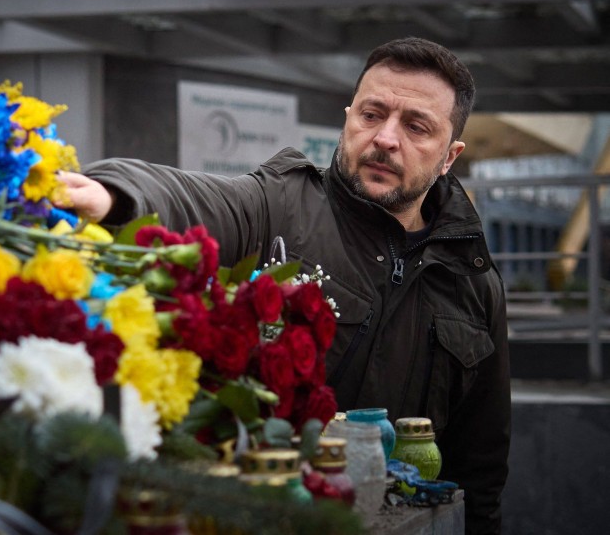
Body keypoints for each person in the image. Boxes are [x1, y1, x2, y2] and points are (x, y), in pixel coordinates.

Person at [58, 37, 510, 534]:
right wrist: (114, 193)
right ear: (348, 118)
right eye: (371, 114)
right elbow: (196, 198)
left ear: (450, 156)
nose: (384, 137)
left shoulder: (473, 282)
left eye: (416, 126)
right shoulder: (279, 205)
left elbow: (480, 465)